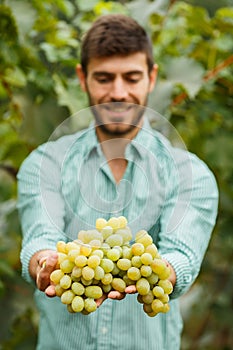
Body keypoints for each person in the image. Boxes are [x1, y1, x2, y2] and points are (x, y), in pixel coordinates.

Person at [17, 14, 218, 350]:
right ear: (83, 78)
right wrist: (43, 261)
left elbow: (182, 255)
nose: (119, 92)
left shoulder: (191, 175)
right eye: (105, 78)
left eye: (132, 77)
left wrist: (163, 271)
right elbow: (41, 237)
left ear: (152, 78)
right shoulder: (45, 164)